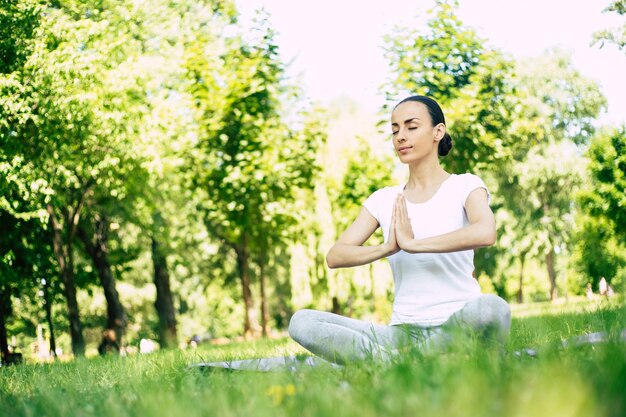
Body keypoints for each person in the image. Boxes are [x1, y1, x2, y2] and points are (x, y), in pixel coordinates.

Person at [288, 95, 511, 364]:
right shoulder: (384, 199)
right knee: (302, 321)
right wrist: (387, 247)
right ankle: (409, 360)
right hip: (400, 336)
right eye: (395, 130)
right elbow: (336, 256)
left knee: (492, 308)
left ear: (438, 132)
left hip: (460, 321)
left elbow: (485, 232)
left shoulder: (465, 186)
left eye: (411, 127)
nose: (400, 137)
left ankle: (395, 362)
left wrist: (413, 244)